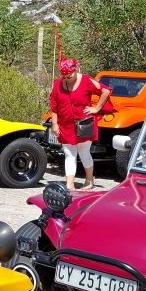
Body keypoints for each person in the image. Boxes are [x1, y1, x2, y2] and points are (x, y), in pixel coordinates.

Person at [48, 57, 111, 191]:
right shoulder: (58, 84)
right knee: (69, 153)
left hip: (84, 124)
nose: (67, 78)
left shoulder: (86, 80)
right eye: (64, 76)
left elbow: (105, 91)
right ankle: (69, 184)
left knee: (83, 152)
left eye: (69, 76)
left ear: (75, 70)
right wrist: (55, 124)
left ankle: (89, 179)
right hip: (65, 124)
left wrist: (97, 108)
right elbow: (54, 106)